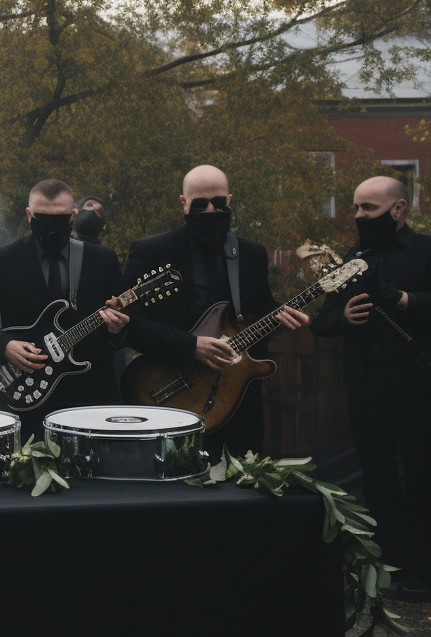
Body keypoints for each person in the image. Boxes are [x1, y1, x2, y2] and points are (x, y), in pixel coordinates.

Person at [312, 176, 431, 602]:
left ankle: (421, 573)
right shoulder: (353, 257)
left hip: (419, 386)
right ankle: (388, 565)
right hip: (368, 385)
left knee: (425, 477)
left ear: (399, 208)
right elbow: (323, 321)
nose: (358, 216)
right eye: (355, 208)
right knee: (378, 478)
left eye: (368, 208)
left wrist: (408, 300)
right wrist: (344, 318)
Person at [119, 165, 309, 456]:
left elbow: (259, 311)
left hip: (235, 397)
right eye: (200, 204)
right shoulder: (151, 251)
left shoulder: (251, 253)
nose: (210, 210)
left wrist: (283, 317)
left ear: (229, 200)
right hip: (168, 388)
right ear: (183, 203)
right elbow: (126, 323)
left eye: (219, 203)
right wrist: (191, 346)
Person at [0, 180, 129, 437]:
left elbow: (126, 323)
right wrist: (4, 345)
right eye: (42, 217)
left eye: (60, 217)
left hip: (90, 397)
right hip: (27, 397)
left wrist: (118, 329)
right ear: (28, 215)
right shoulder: (2, 260)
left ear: (73, 215)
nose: (51, 224)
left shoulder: (102, 259)